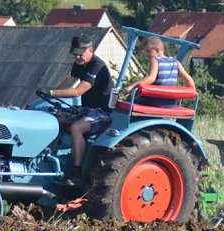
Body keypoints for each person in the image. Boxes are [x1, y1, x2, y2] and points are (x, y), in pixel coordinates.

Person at [48, 34, 113, 185]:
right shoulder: (80, 63)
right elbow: (69, 80)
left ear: (91, 50)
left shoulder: (97, 66)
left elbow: (78, 91)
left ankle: (77, 171)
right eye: (75, 54)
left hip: (103, 111)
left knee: (76, 128)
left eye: (80, 54)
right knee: (54, 118)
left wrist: (53, 93)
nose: (77, 57)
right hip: (87, 109)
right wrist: (52, 94)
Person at [123, 36, 195, 107]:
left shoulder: (155, 60)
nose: (147, 55)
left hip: (154, 101)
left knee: (129, 103)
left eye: (148, 51)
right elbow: (188, 80)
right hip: (170, 103)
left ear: (157, 50)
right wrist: (192, 93)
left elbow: (151, 78)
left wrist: (131, 86)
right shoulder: (175, 62)